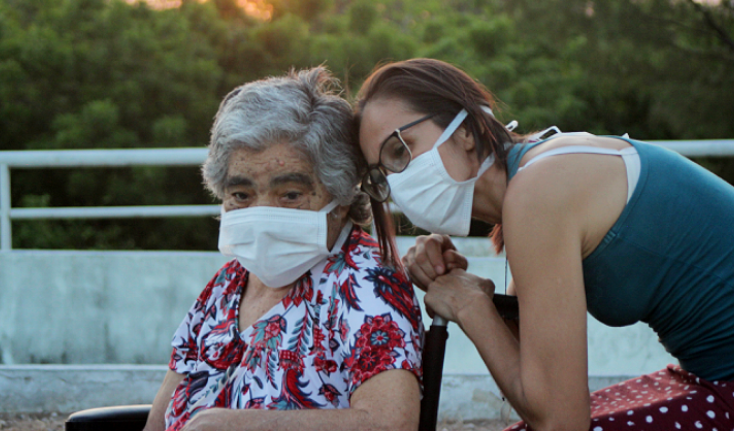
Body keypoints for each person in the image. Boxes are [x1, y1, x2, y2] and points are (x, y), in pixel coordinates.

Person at [354, 58, 734, 431]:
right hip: (711, 376)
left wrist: (469, 305)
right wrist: (464, 289)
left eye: (401, 150)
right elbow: (529, 361)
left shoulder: (537, 191)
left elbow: (559, 420)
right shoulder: (532, 176)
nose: (395, 181)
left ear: (465, 130)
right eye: (380, 174)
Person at [143, 68, 424, 431]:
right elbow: (159, 419)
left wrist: (241, 426)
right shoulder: (226, 285)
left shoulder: (366, 286)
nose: (262, 214)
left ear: (339, 196)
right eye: (241, 196)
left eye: (290, 195)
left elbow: (390, 425)